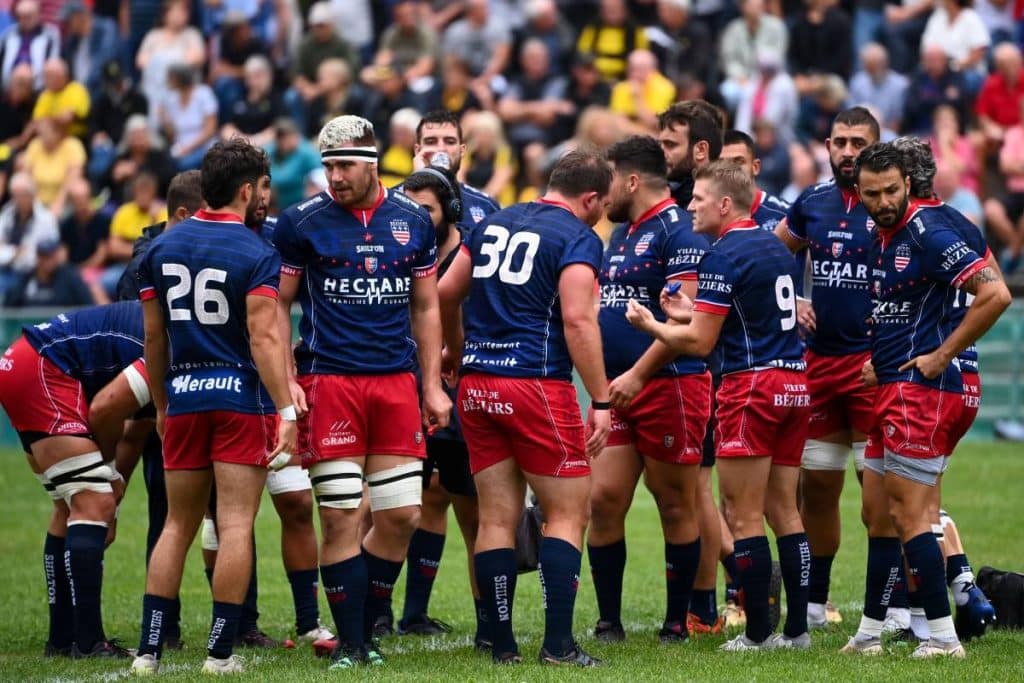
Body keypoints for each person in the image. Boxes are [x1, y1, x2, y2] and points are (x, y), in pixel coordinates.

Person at [273, 115, 450, 669]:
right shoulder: (300, 223)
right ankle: (352, 643)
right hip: (331, 382)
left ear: (373, 164)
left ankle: (366, 619)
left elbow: (426, 307)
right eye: (327, 166)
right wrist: (286, 382)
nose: (335, 177)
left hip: (396, 383)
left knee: (401, 516)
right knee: (342, 515)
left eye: (345, 165)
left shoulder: (413, 222)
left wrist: (432, 386)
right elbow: (277, 306)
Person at [626, 160, 811, 651]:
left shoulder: (722, 253)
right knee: (785, 512)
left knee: (742, 514)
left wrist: (652, 326)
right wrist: (691, 311)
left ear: (725, 205)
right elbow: (743, 314)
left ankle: (755, 635)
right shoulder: (773, 245)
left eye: (699, 198)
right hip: (794, 384)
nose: (690, 205)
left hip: (752, 390)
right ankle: (796, 631)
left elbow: (701, 344)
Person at [129, 139, 297, 675]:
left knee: (176, 524)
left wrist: (160, 403)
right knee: (235, 524)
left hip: (182, 396)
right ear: (246, 190)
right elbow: (265, 339)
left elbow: (154, 340)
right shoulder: (256, 252)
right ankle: (219, 655)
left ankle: (147, 652)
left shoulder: (161, 248)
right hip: (238, 402)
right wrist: (286, 410)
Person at [438, 149, 612, 667]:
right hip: (534, 384)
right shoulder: (578, 236)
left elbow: (446, 292)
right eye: (601, 206)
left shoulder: (494, 220)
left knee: (495, 517)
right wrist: (600, 398)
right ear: (590, 198)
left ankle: (501, 643)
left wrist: (455, 348)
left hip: (478, 384)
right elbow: (579, 321)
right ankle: (558, 645)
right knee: (567, 511)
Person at [841, 142, 1010, 658]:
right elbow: (905, 306)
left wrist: (941, 354)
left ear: (908, 183)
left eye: (891, 190)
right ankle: (872, 629)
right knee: (877, 511)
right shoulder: (886, 232)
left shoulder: (928, 230)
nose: (882, 200)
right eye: (871, 193)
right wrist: (881, 358)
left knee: (910, 514)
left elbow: (996, 293)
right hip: (893, 385)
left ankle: (941, 637)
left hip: (923, 391)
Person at [587, 135, 710, 645]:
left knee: (675, 502)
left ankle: (676, 622)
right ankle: (609, 620)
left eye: (607, 179)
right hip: (618, 391)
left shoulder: (678, 232)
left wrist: (638, 373)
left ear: (632, 181)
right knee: (604, 497)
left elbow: (687, 320)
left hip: (668, 385)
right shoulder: (623, 234)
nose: (600, 192)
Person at [774, 106, 881, 629]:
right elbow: (773, 254)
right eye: (839, 141)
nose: (847, 152)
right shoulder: (812, 203)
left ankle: (899, 608)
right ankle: (816, 602)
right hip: (818, 365)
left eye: (858, 143)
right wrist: (792, 297)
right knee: (817, 490)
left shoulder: (892, 205)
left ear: (875, 148)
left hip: (873, 367)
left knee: (878, 496)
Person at [0, 302, 147, 659]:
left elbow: (135, 423)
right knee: (92, 502)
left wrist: (110, 483)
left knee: (70, 507)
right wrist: (109, 479)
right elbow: (105, 409)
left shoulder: (167, 318)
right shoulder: (176, 340)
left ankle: (62, 638)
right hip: (43, 369)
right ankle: (89, 641)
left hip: (23, 362)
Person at [383, 164, 485, 640]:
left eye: (427, 209)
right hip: (404, 389)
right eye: (411, 208)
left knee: (474, 513)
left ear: (451, 211)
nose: (418, 218)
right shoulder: (397, 250)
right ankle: (378, 614)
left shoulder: (473, 252)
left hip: (461, 395)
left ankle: (490, 621)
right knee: (391, 506)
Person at [655, 101, 731, 634]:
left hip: (707, 363)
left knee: (700, 489)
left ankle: (712, 597)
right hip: (703, 358)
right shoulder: (681, 204)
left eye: (669, 145)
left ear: (700, 151)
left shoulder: (699, 210)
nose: (662, 155)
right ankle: (713, 596)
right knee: (700, 488)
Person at [720, 129, 790, 231]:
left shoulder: (785, 217)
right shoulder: (702, 218)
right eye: (722, 163)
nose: (730, 169)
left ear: (755, 167)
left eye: (738, 162)